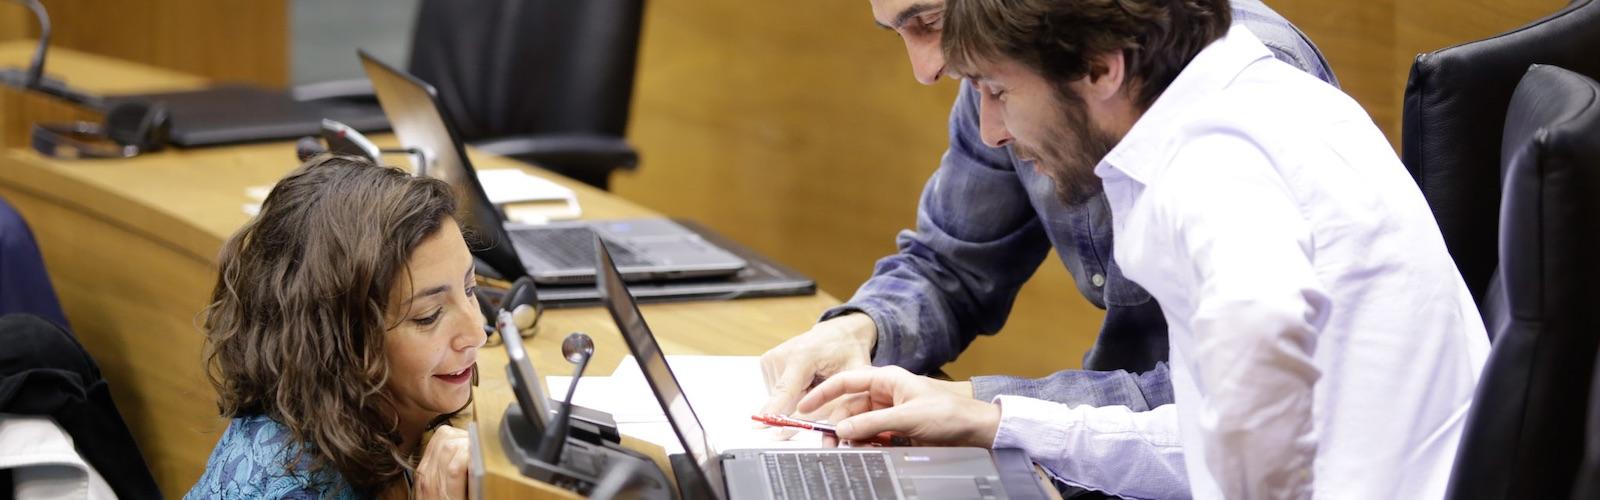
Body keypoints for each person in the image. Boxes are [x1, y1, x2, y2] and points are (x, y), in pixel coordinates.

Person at [798, 0, 1491, 497]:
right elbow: (1206, 438)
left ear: (1100, 68)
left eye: (997, 90)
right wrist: (997, 420)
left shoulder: (1213, 155)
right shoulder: (1225, 100)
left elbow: (1259, 324)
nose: (992, 130)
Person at [759, 0, 1338, 428]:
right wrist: (860, 329)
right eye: (897, 32)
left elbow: (1230, 410)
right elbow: (952, 265)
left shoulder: (1228, 96)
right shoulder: (1004, 80)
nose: (924, 70)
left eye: (930, 20)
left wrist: (979, 407)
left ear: (1100, 69)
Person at [187, 155, 486, 499]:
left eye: (470, 288)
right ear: (336, 341)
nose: (477, 334)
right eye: (429, 316)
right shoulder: (292, 487)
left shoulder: (376, 420)